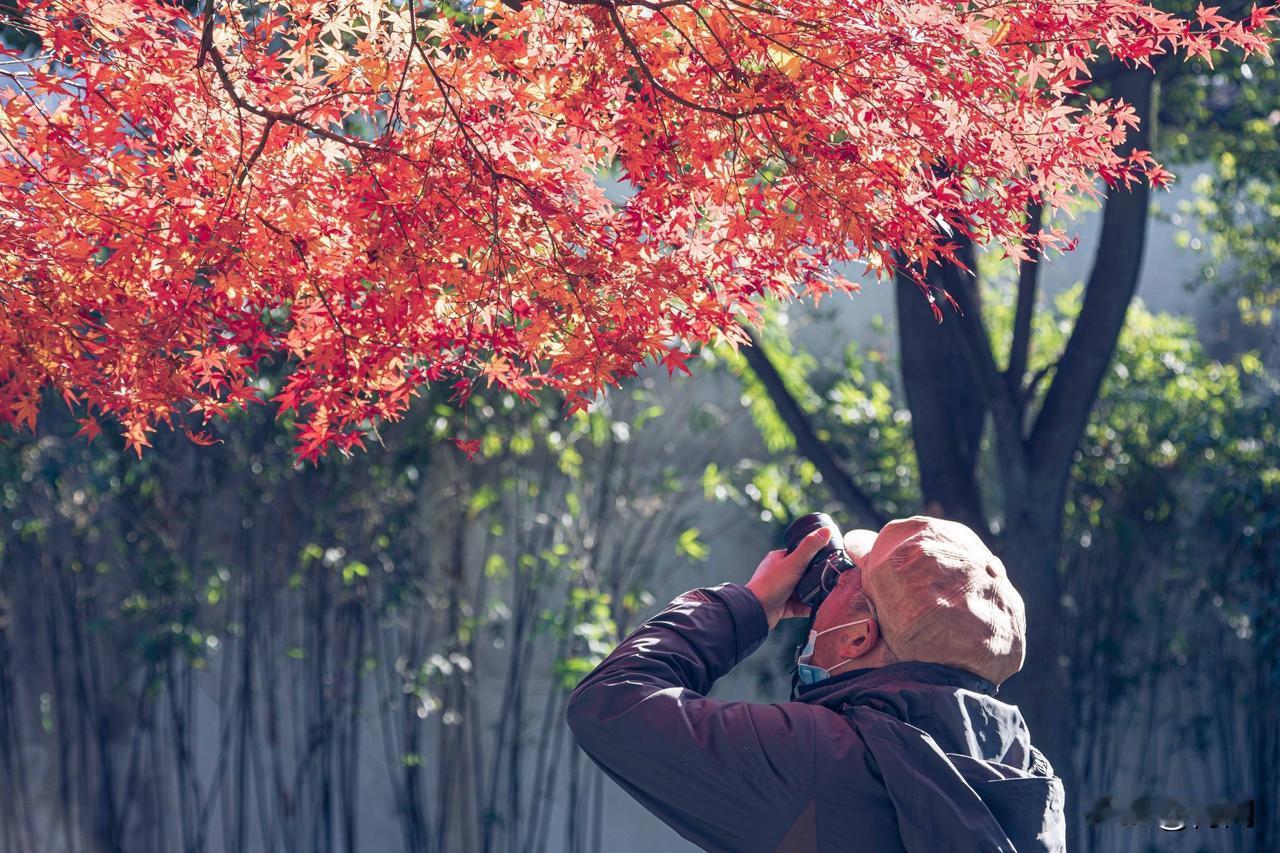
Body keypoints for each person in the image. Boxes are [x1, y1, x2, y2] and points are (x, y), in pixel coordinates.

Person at [565, 515, 1066, 853]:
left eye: (846, 578)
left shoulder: (819, 761)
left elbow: (611, 703)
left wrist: (746, 607)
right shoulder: (1028, 779)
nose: (822, 595)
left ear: (856, 638)